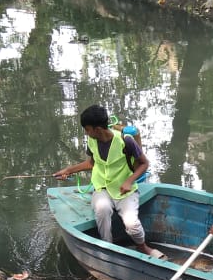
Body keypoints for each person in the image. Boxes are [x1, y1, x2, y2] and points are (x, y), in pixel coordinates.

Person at [53, 104, 163, 258]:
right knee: (102, 209)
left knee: (132, 224)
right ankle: (108, 246)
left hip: (124, 189)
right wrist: (68, 170)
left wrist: (129, 181)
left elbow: (144, 163)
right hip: (102, 187)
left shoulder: (126, 141)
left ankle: (142, 247)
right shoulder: (92, 141)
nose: (86, 133)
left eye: (87, 129)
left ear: (97, 129)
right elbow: (92, 163)